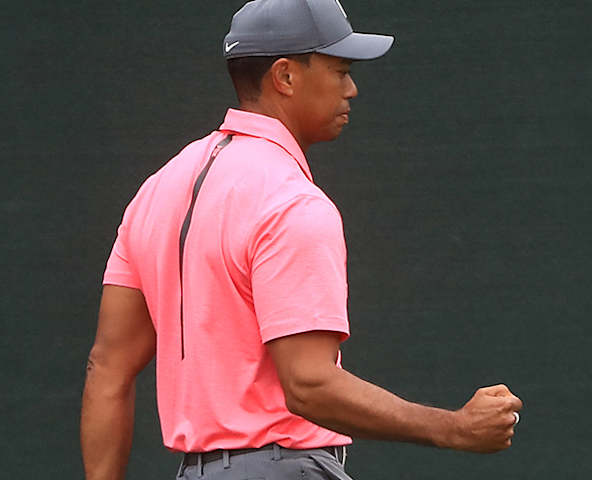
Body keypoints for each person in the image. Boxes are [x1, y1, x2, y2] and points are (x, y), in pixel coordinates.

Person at [80, 1, 523, 479]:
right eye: (340, 70)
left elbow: (107, 371)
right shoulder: (292, 202)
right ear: (286, 76)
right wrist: (452, 428)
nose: (351, 88)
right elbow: (308, 385)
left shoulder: (157, 190)